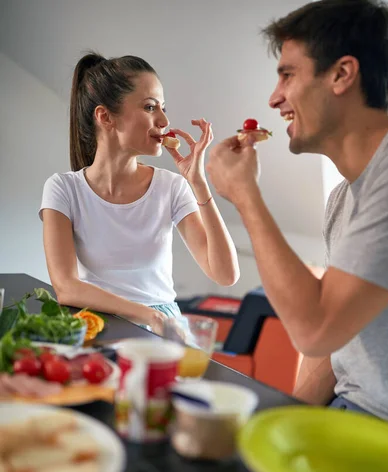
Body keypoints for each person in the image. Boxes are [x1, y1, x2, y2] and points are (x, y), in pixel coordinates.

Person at [206, 0, 388, 424]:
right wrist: (285, 416)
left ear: (341, 75)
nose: (275, 98)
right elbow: (341, 344)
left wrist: (244, 194)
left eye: (287, 75)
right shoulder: (341, 200)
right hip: (348, 411)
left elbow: (315, 330)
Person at [40, 53, 239, 335]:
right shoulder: (63, 189)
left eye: (163, 108)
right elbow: (66, 287)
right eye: (149, 107)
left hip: (162, 326)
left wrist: (198, 183)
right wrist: (148, 316)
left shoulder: (171, 187)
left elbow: (225, 275)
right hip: (96, 324)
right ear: (105, 116)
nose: (163, 120)